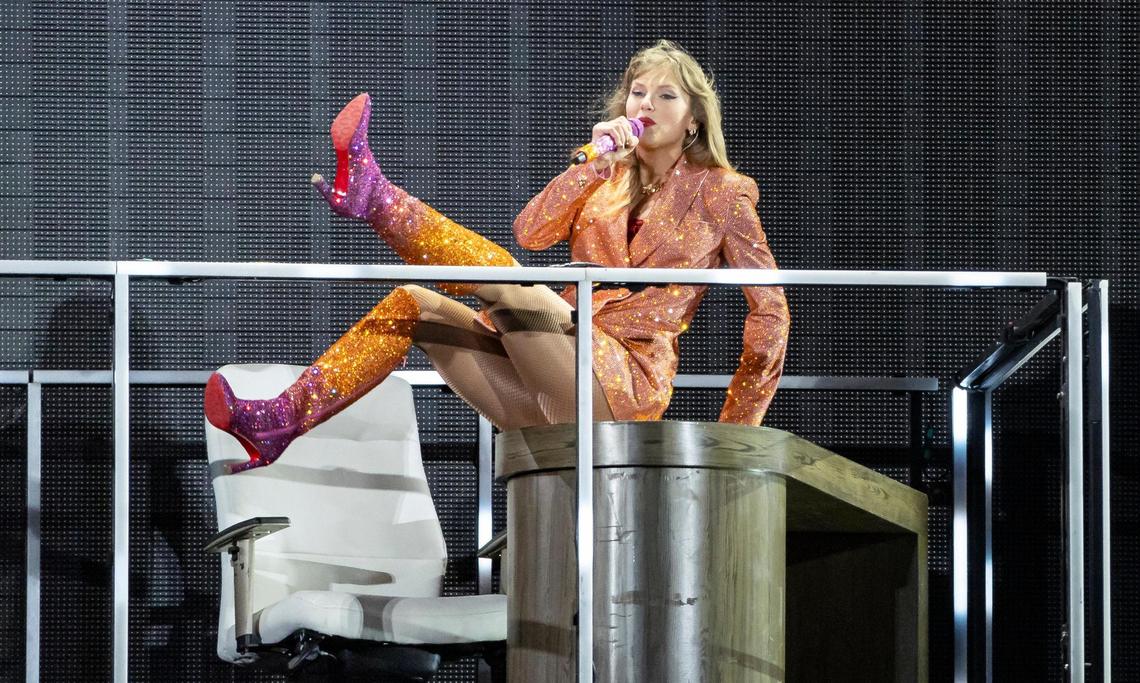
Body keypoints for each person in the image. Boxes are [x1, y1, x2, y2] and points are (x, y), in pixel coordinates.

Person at [205, 40, 790, 474]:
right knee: (414, 303)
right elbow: (532, 231)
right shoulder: (605, 178)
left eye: (667, 95)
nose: (648, 104)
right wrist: (595, 162)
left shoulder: (723, 192)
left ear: (695, 118)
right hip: (553, 364)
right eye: (639, 91)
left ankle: (378, 200)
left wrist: (732, 441)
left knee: (511, 283)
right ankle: (277, 421)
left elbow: (770, 316)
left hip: (622, 384)